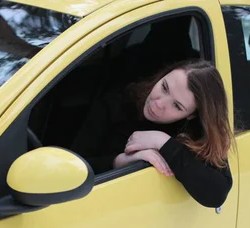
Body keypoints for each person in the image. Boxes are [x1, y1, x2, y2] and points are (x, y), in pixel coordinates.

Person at [70, 59, 234, 208]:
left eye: (177, 106)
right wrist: (121, 161)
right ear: (162, 76)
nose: (159, 103)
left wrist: (163, 142)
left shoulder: (193, 133)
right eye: (164, 87)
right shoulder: (115, 104)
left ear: (191, 115)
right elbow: (73, 168)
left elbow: (216, 193)